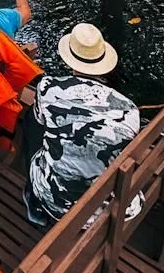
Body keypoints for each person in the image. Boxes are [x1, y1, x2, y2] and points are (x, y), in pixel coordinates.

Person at [21, 22, 141, 228]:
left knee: (31, 120)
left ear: (70, 60)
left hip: (58, 202)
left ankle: (34, 197)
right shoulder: (129, 109)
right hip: (114, 206)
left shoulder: (48, 87)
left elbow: (39, 123)